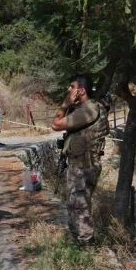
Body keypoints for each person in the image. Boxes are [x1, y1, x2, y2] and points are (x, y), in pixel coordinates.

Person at [51, 75, 110, 246]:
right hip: (79, 165)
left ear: (81, 90)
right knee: (74, 205)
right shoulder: (83, 109)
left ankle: (87, 245)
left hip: (84, 167)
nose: (69, 90)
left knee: (80, 206)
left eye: (72, 87)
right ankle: (78, 242)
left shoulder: (89, 110)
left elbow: (56, 124)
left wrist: (65, 104)